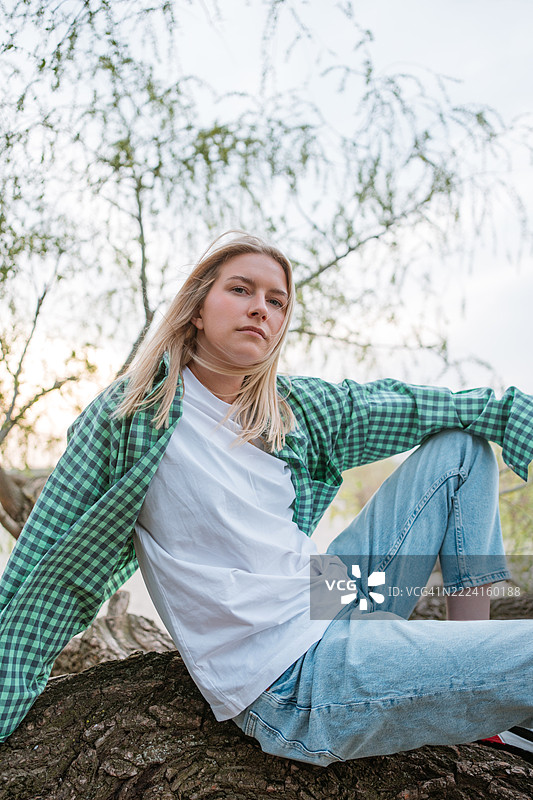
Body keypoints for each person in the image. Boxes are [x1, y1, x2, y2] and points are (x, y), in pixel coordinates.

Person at [0, 231, 532, 764]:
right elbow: (41, 569)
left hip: (331, 595)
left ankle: (477, 676)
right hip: (292, 675)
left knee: (461, 448)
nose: (261, 309)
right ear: (197, 310)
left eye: (276, 301)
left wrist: (514, 416)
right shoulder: (134, 415)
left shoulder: (289, 412)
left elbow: (413, 405)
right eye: (240, 290)